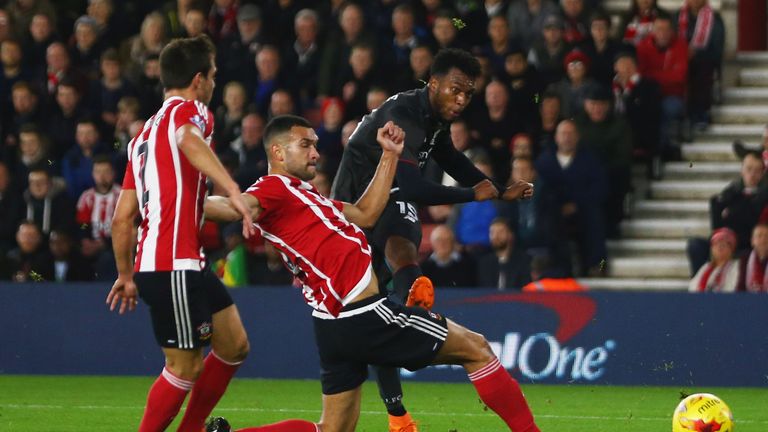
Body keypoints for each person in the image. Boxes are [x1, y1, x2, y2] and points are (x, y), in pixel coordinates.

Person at [202, 114, 541, 432]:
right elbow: (235, 207)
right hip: (362, 313)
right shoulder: (272, 190)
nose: (316, 153)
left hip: (333, 324)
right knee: (476, 348)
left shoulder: (304, 197)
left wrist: (389, 155)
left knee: (333, 428)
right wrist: (186, 201)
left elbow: (365, 213)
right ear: (277, 151)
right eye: (305, 145)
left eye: (316, 144)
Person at [330, 48, 533, 429]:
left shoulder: (433, 118)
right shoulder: (402, 116)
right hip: (353, 214)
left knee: (392, 272)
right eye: (455, 90)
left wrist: (496, 187)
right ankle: (410, 301)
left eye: (468, 93)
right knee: (376, 309)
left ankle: (411, 294)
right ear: (433, 83)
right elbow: (411, 185)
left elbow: (450, 158)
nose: (461, 100)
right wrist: (471, 194)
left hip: (388, 200)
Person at [105, 35, 255, 432]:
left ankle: (190, 429)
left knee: (234, 345)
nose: (215, 82)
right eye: (214, 75)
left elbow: (123, 218)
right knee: (184, 366)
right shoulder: (192, 112)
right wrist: (232, 187)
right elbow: (187, 139)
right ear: (198, 79)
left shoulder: (141, 139)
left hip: (177, 263)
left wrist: (124, 274)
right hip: (173, 264)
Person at [689, 228, 739, 293]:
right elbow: (693, 288)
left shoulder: (737, 266)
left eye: (724, 244)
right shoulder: (706, 267)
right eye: (716, 244)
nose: (719, 247)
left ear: (731, 250)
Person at [737, 223, 768, 293]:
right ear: (752, 241)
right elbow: (740, 287)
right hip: (749, 301)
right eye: (759, 236)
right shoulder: (744, 259)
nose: (763, 239)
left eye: (767, 236)